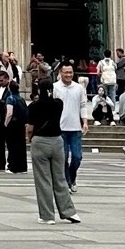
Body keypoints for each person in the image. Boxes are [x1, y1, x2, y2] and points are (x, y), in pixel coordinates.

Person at [25, 74, 79, 223]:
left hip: (40, 141)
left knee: (43, 180)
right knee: (60, 177)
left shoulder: (33, 106)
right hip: (57, 141)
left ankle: (47, 216)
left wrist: (30, 139)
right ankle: (69, 211)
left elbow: (30, 128)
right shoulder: (58, 103)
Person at [53, 62, 89, 187]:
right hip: (61, 128)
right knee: (63, 158)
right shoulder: (55, 87)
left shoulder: (79, 88)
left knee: (77, 156)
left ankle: (72, 176)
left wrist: (84, 121)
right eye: (66, 72)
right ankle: (68, 181)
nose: (68, 75)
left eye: (70, 72)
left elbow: (83, 105)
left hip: (75, 128)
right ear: (60, 73)